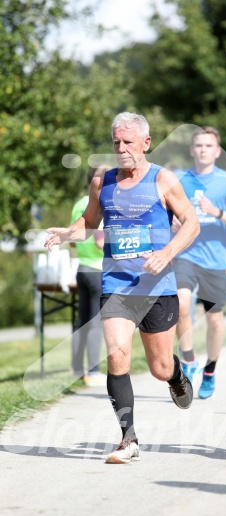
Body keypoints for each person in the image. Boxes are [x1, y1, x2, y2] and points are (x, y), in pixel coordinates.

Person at [45, 112, 200, 464]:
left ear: (146, 142)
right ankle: (128, 439)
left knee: (160, 366)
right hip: (117, 284)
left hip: (157, 285)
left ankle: (176, 375)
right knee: (117, 355)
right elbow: (89, 219)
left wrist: (168, 252)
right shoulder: (103, 181)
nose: (121, 148)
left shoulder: (163, 179)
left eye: (128, 141)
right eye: (116, 141)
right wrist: (68, 232)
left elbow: (191, 223)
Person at [172, 126, 226, 399]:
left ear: (217, 151)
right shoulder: (179, 180)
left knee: (214, 320)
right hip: (185, 254)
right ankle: (188, 360)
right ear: (192, 150)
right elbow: (165, 213)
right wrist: (172, 223)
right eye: (198, 145)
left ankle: (210, 370)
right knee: (181, 303)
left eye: (208, 146)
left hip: (215, 259)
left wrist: (217, 212)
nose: (203, 150)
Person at [71, 166, 107, 387]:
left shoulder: (78, 204)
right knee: (95, 323)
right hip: (97, 269)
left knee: (81, 321)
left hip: (82, 268)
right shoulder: (99, 206)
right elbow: (100, 242)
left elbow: (74, 238)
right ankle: (93, 372)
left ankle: (76, 369)